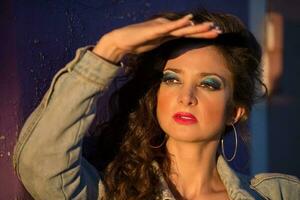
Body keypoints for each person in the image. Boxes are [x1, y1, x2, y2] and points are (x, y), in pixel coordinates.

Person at [13, 10, 300, 200]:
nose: (186, 96)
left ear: (235, 111)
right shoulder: (111, 191)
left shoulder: (279, 193)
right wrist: (110, 49)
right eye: (172, 79)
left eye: (208, 84)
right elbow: (39, 164)